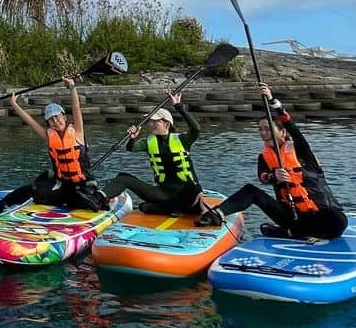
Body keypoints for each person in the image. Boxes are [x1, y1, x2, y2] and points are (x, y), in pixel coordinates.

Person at [197, 83, 347, 240]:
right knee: (251, 191)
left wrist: (272, 100)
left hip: (322, 215)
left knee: (339, 220)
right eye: (260, 129)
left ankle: (291, 232)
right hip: (293, 217)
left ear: (282, 132)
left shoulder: (302, 151)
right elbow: (263, 178)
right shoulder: (264, 157)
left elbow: (291, 125)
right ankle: (216, 214)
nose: (263, 133)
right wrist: (274, 176)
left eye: (268, 129)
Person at [0, 76, 106, 212]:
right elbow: (30, 122)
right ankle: (1, 207)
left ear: (64, 116)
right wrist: (14, 105)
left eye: (57, 117)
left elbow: (76, 109)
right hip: (63, 185)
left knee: (82, 199)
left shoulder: (78, 132)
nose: (55, 121)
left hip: (83, 185)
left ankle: (97, 198)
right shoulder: (49, 136)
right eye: (51, 119)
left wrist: (72, 87)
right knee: (31, 189)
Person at [100, 90, 206, 215]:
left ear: (166, 124)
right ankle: (99, 197)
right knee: (123, 178)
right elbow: (131, 148)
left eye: (155, 121)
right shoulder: (149, 142)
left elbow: (196, 128)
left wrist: (178, 106)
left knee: (190, 190)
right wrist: (132, 138)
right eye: (150, 121)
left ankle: (176, 209)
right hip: (163, 193)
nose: (151, 124)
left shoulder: (182, 140)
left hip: (185, 193)